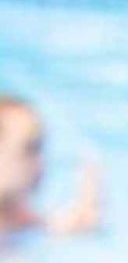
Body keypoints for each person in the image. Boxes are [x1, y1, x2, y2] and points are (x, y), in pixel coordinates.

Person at [0, 95, 102, 244]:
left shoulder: (13, 215)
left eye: (40, 149)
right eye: (30, 149)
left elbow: (70, 225)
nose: (41, 164)